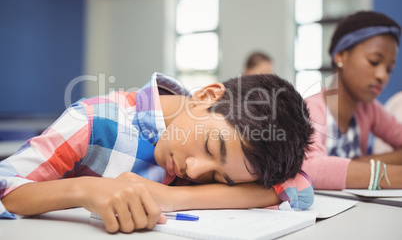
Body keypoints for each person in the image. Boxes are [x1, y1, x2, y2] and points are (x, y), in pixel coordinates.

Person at [0, 72, 314, 233]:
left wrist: (174, 198)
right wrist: (84, 189)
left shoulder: (215, 152)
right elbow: (5, 185)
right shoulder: (96, 122)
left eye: (219, 177)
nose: (194, 171)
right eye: (209, 147)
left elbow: (290, 189)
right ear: (206, 95)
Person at [302, 11, 402, 190]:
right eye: (373, 62)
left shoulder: (370, 110)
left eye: (389, 69)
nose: (382, 76)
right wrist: (389, 175)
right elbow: (308, 169)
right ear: (340, 56)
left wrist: (361, 162)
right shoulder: (311, 110)